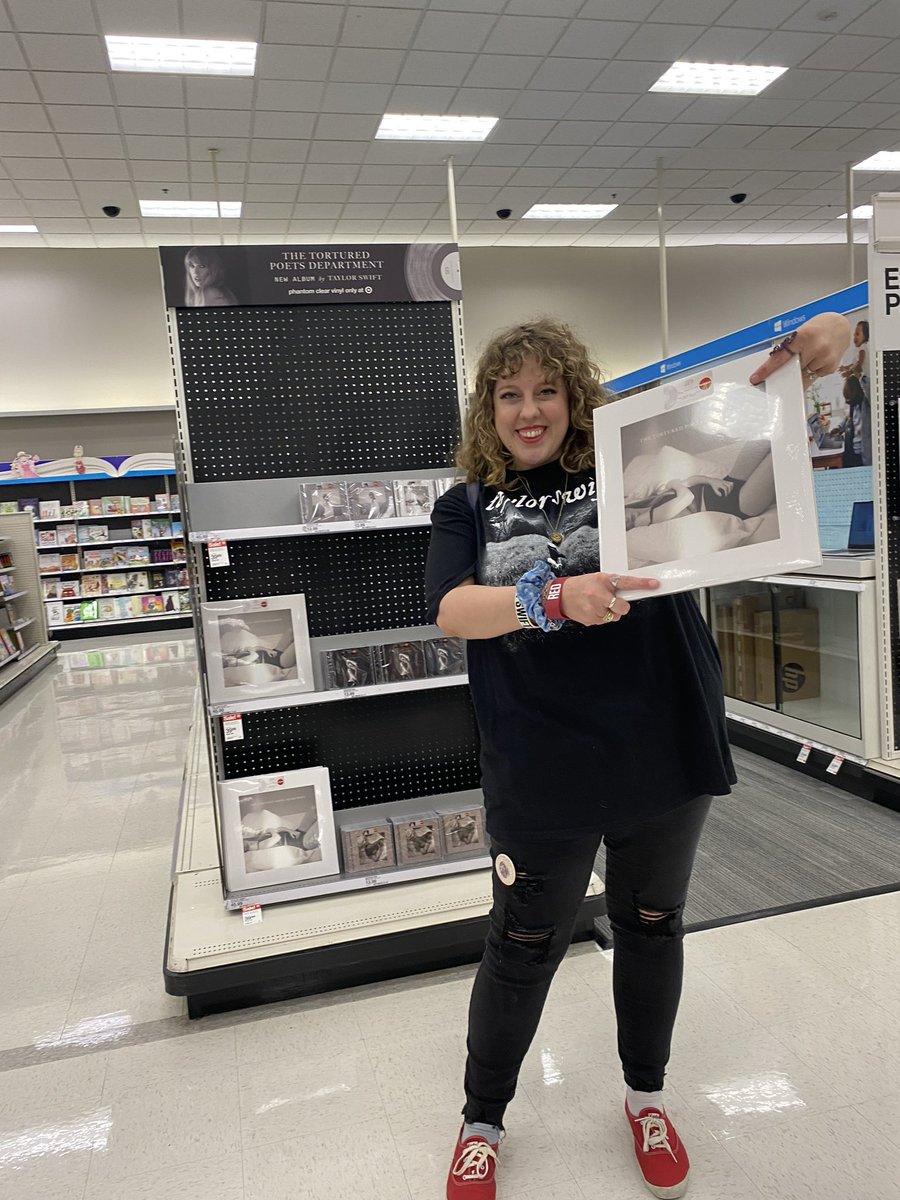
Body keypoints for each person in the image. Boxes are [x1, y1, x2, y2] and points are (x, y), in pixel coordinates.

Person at [424, 313, 850, 1200]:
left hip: (660, 742)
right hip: (538, 759)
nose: (529, 410)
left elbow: (739, 434)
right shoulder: (466, 505)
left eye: (547, 389)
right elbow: (455, 611)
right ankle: (482, 1117)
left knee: (652, 928)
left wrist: (816, 351)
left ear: (576, 397)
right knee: (523, 943)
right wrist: (554, 597)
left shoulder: (629, 467)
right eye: (510, 395)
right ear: (488, 411)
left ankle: (647, 1098)